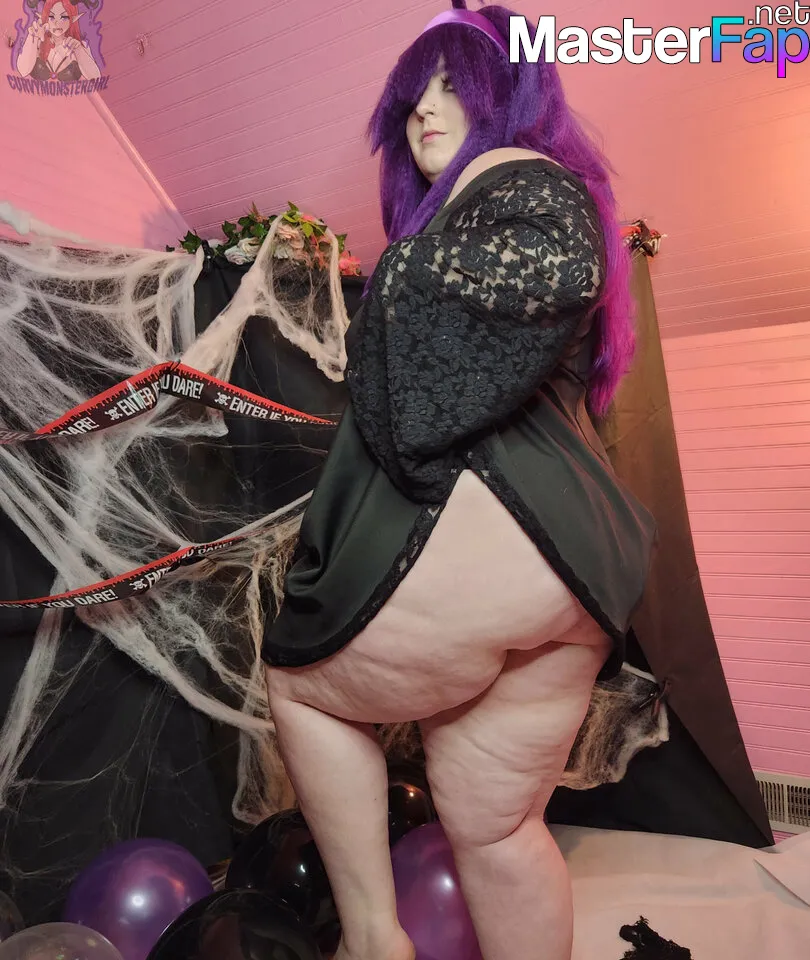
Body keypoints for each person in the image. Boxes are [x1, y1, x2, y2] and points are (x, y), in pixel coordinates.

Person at [262, 5, 657, 960]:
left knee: (302, 688)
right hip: (581, 575)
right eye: (413, 98)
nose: (425, 113)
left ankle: (372, 942)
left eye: (455, 87)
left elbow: (494, 320)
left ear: (511, 99)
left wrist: (408, 266)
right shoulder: (555, 204)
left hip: (500, 526)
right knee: (496, 828)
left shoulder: (519, 179)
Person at [16, 0, 101, 83]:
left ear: (72, 19)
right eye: (51, 17)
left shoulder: (79, 45)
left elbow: (95, 79)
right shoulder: (37, 42)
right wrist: (32, 38)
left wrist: (79, 51)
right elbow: (23, 71)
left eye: (64, 17)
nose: (57, 23)